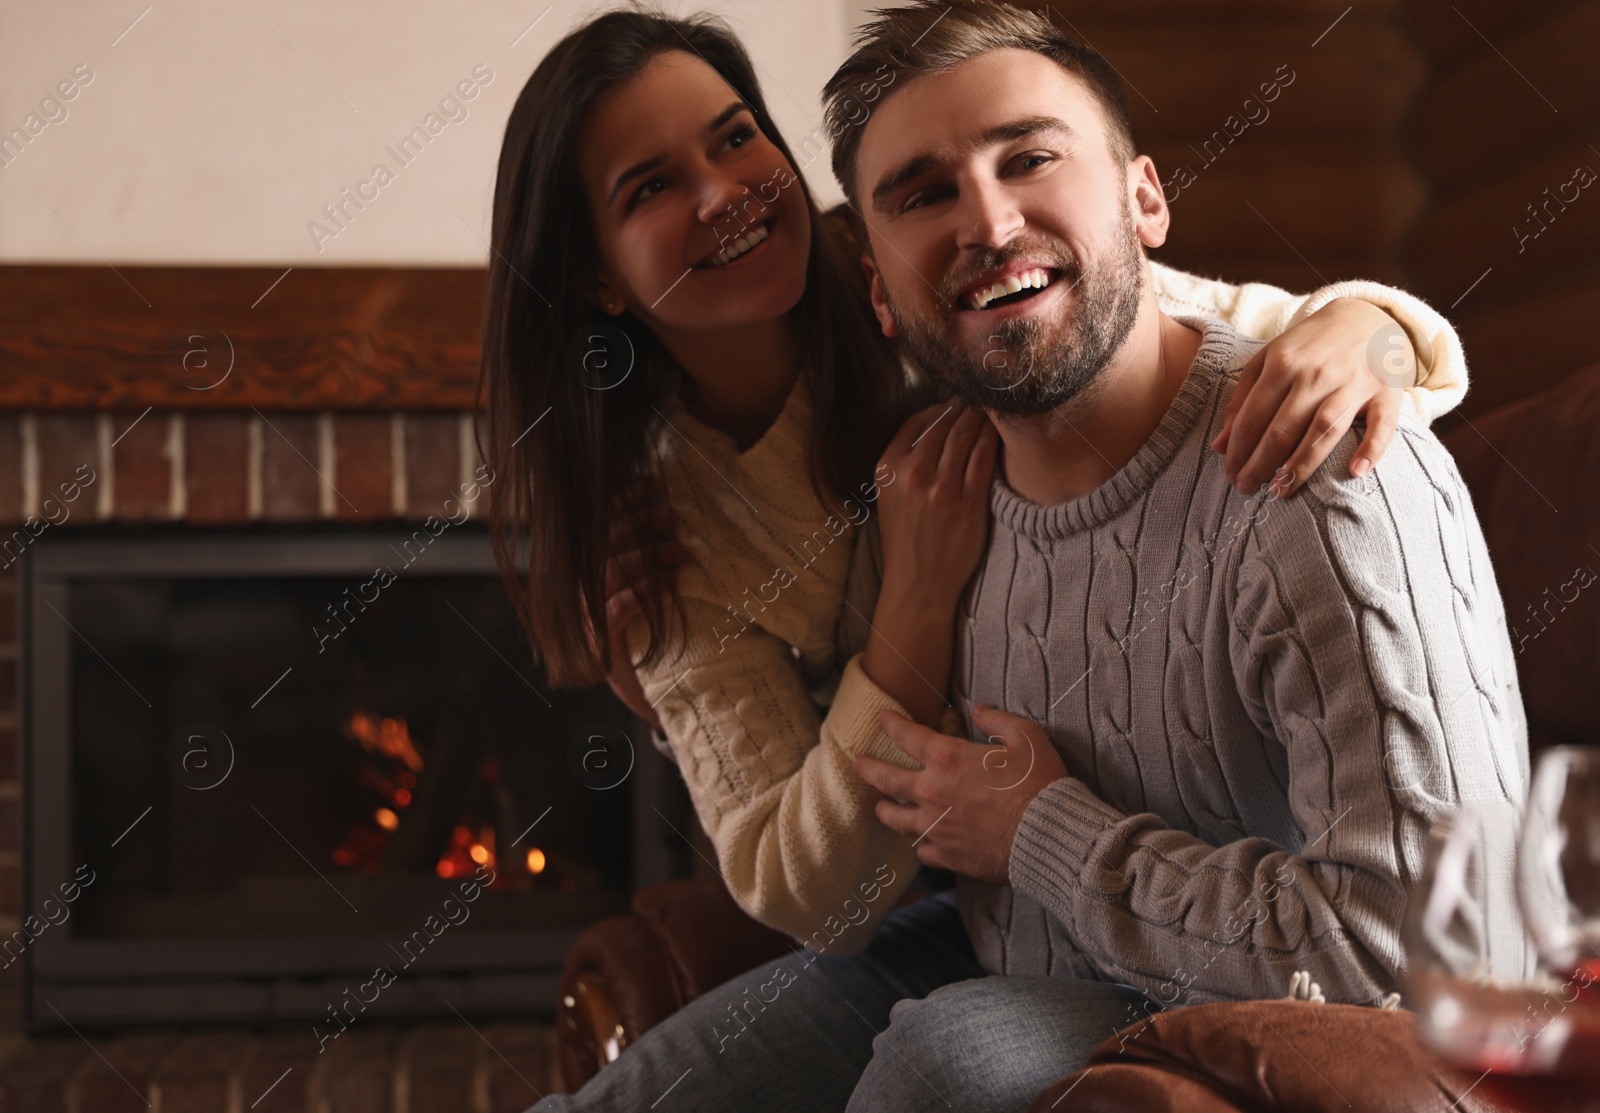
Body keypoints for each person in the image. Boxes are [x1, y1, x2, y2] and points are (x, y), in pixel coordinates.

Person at [480, 7, 1474, 1110]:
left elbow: (1152, 322)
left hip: (1104, 893)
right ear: (597, 282)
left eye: (732, 137)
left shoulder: (991, 306)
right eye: (648, 187)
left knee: (946, 1058)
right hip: (974, 895)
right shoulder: (668, 522)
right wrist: (911, 601)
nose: (722, 194)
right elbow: (805, 887)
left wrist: (1371, 327)